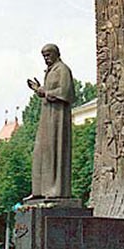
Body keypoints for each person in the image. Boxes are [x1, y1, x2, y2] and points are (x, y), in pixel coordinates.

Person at [27, 44, 75, 199]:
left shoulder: (62, 70)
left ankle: (55, 190)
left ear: (56, 54)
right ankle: (39, 190)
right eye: (44, 56)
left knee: (55, 151)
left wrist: (45, 92)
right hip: (46, 117)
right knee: (40, 151)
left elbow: (66, 92)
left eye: (48, 55)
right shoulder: (50, 71)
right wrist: (39, 89)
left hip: (57, 118)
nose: (46, 59)